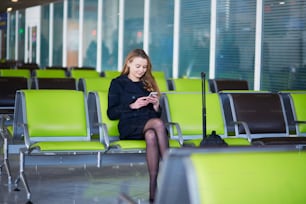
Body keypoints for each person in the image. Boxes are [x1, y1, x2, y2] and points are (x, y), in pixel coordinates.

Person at [107, 48, 169, 203]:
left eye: (144, 67)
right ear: (129, 63)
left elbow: (155, 115)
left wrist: (155, 106)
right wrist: (132, 105)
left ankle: (153, 188)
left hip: (148, 123)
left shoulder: (147, 83)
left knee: (151, 135)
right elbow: (111, 113)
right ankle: (171, 169)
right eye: (138, 66)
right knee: (158, 124)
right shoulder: (117, 83)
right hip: (129, 125)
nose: (141, 70)